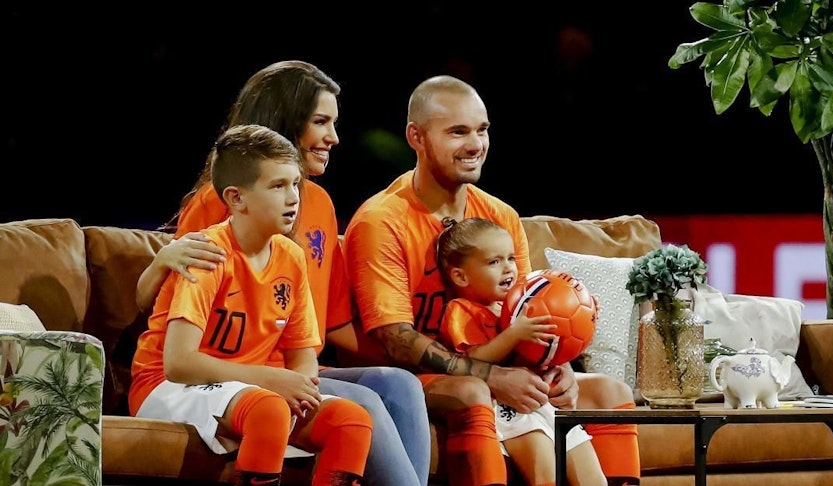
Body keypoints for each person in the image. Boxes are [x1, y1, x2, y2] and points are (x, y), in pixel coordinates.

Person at [134, 60, 429, 486]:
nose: (334, 137)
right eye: (321, 122)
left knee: (398, 384)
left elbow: (330, 326)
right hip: (224, 369)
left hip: (281, 363)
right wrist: (161, 260)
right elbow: (169, 313)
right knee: (362, 401)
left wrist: (432, 357)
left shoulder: (315, 215)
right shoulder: (221, 212)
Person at [343, 74, 640, 486]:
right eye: (457, 132)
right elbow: (396, 339)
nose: (475, 144)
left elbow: (529, 305)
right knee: (474, 392)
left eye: (482, 130)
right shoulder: (381, 221)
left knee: (610, 391)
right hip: (413, 379)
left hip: (500, 362)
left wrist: (556, 368)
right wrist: (493, 377)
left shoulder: (500, 215)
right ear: (416, 136)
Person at [129, 124, 371, 486]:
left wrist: (300, 386)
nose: (293, 198)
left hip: (247, 388)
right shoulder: (207, 253)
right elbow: (179, 363)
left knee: (351, 421)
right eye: (277, 186)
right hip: (165, 384)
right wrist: (271, 380)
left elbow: (302, 354)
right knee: (269, 408)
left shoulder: (291, 256)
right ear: (236, 198)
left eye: (295, 184)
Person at [436, 217, 606, 486]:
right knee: (545, 475)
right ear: (460, 276)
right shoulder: (460, 311)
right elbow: (473, 359)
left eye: (511, 259)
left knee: (591, 475)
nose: (508, 269)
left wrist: (584, 312)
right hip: (509, 408)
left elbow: (553, 345)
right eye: (494, 262)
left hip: (542, 401)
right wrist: (514, 334)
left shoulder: (521, 305)